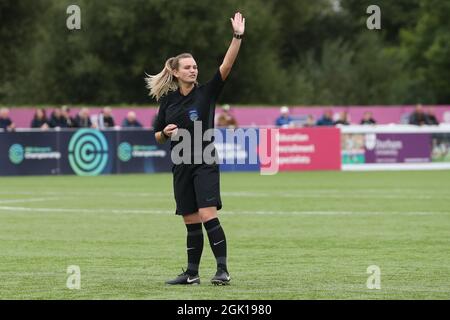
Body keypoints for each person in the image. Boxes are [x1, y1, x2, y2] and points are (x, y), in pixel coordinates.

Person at [147, 12, 245, 286]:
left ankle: (222, 270)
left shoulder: (207, 92)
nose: (193, 70)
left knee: (206, 214)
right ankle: (191, 274)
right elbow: (156, 136)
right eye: (187, 67)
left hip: (204, 160)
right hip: (180, 163)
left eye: (195, 66)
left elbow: (227, 64)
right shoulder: (167, 101)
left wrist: (237, 37)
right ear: (176, 72)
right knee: (190, 220)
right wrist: (164, 133)